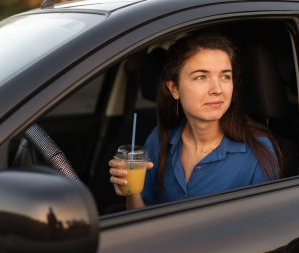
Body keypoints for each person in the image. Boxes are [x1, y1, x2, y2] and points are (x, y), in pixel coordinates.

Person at [109, 32, 282, 209]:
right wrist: (132, 191)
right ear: (174, 88)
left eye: (225, 76)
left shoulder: (258, 150)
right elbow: (141, 221)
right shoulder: (160, 139)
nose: (217, 89)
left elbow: (264, 229)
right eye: (201, 77)